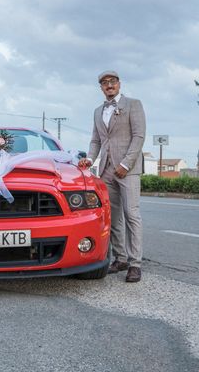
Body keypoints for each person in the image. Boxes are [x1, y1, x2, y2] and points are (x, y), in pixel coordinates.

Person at [78, 71, 146, 282]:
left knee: (131, 214)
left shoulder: (133, 104)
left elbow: (139, 136)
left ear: (119, 84)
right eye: (105, 83)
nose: (109, 85)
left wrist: (126, 163)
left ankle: (135, 264)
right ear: (101, 87)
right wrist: (90, 160)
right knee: (112, 216)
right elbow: (96, 140)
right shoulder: (98, 111)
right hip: (106, 170)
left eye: (112, 82)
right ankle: (121, 258)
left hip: (128, 169)